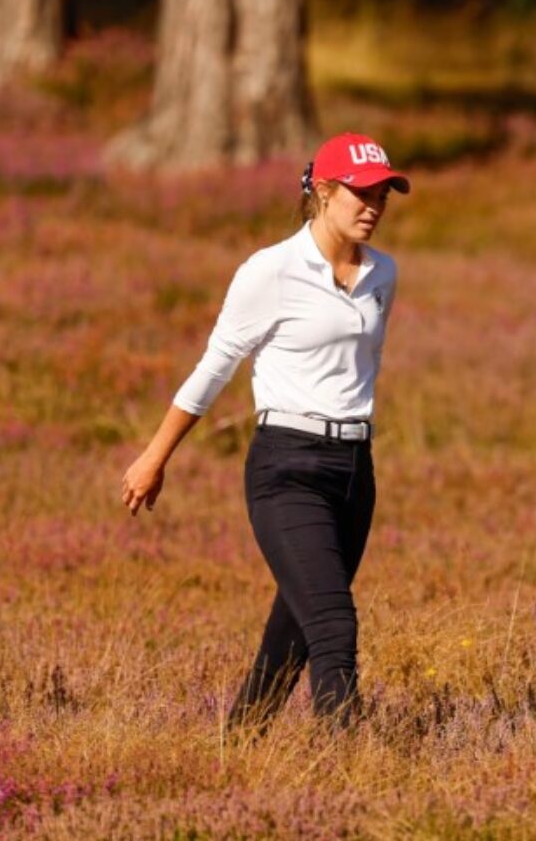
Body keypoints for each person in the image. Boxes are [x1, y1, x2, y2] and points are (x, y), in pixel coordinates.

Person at [121, 131, 410, 734]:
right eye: (360, 194)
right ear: (323, 193)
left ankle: (239, 743)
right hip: (287, 469)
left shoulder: (383, 274)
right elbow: (215, 367)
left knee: (296, 632)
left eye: (382, 195)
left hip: (356, 469)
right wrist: (155, 456)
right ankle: (346, 778)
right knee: (334, 626)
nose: (373, 207)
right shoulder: (269, 271)